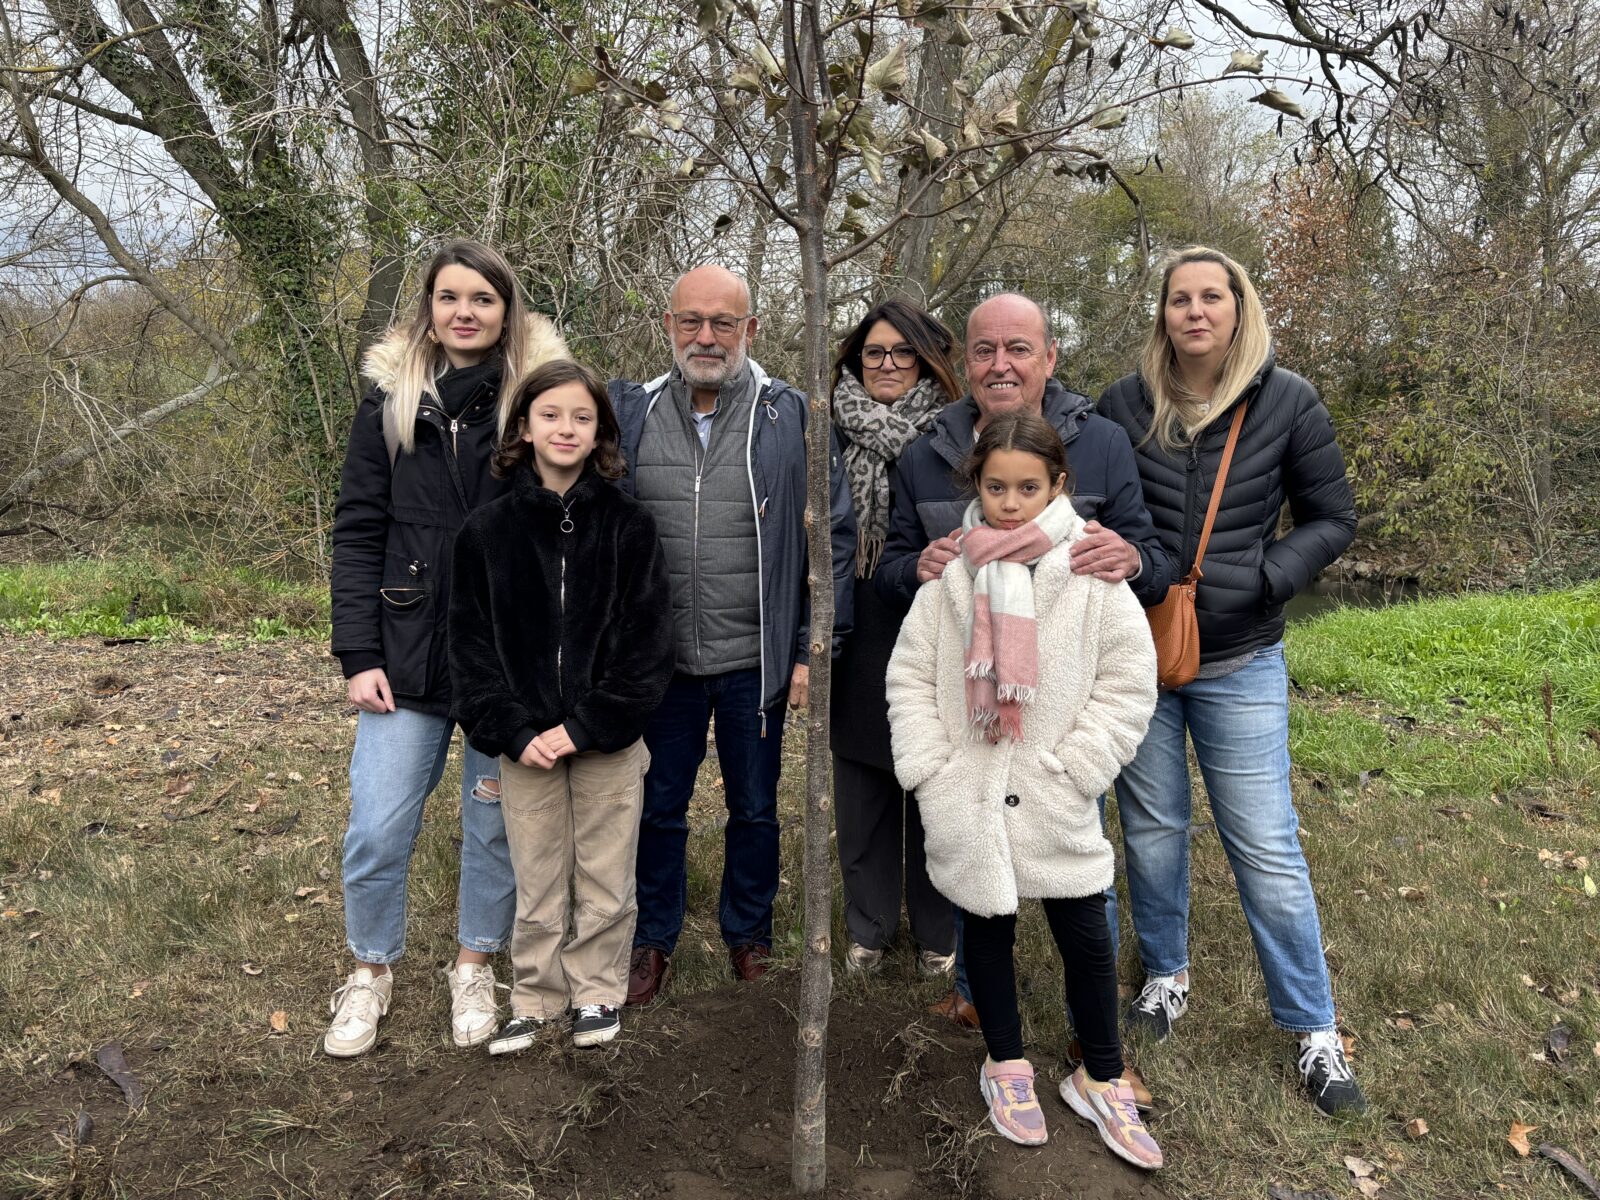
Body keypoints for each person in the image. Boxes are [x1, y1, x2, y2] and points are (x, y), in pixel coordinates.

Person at [1097, 245, 1365, 1116]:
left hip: (1242, 656)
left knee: (1264, 843)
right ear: (1163, 314)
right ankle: (1165, 975)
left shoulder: (1287, 400)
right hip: (1142, 656)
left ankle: (1313, 1028)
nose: (1196, 312)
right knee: (1153, 827)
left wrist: (1264, 577)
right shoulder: (1127, 404)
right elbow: (1093, 509)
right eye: (1181, 298)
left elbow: (1334, 517)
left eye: (1214, 297)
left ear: (1239, 308)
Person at [877, 291, 1171, 1027]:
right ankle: (982, 1005)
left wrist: (1131, 556)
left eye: (1017, 349)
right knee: (979, 876)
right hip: (973, 727)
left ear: (1048, 358)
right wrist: (917, 569)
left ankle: (1091, 1036)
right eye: (984, 350)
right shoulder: (928, 451)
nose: (1000, 364)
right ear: (964, 361)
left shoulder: (1100, 442)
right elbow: (890, 566)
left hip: (1058, 726)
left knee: (1080, 883)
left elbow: (1152, 559)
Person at [885, 411, 1161, 1167]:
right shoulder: (949, 577)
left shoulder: (1091, 570)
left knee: (1086, 934)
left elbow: (1128, 682)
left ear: (1058, 485)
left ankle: (1101, 1074)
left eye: (1029, 488)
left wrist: (1076, 769)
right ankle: (1005, 1062)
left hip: (1053, 791)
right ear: (975, 483)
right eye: (996, 486)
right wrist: (930, 770)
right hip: (967, 789)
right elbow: (909, 674)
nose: (1010, 503)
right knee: (988, 929)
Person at [325, 239, 568, 1058]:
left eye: (483, 299)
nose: (465, 312)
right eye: (449, 297)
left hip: (505, 660)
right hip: (406, 652)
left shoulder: (537, 400)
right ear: (427, 306)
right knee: (378, 826)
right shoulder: (390, 401)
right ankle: (371, 970)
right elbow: (359, 530)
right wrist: (359, 653)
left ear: (509, 310)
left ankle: (474, 962)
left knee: (493, 825)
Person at [609, 264, 856, 1004]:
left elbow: (832, 538)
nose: (706, 337)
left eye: (724, 322)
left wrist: (815, 647)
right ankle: (653, 939)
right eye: (692, 321)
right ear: (669, 326)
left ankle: (748, 935)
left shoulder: (794, 417)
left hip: (757, 659)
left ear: (751, 329)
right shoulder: (633, 413)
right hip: (662, 662)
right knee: (658, 806)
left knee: (754, 805)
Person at [448, 359, 674, 1054]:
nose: (566, 428)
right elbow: (470, 648)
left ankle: (597, 992)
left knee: (606, 872)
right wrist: (516, 731)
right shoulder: (486, 533)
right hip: (524, 745)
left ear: (602, 429)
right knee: (537, 874)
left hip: (605, 740)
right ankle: (535, 995)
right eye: (551, 415)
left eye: (582, 416)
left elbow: (647, 648)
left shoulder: (630, 527)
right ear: (524, 427)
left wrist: (584, 726)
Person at [829, 299, 962, 978]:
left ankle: (940, 931)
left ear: (927, 360)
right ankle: (869, 928)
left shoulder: (955, 437)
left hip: (932, 622)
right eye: (872, 353)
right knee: (862, 783)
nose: (884, 366)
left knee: (932, 777)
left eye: (900, 353)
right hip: (856, 619)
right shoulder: (826, 430)